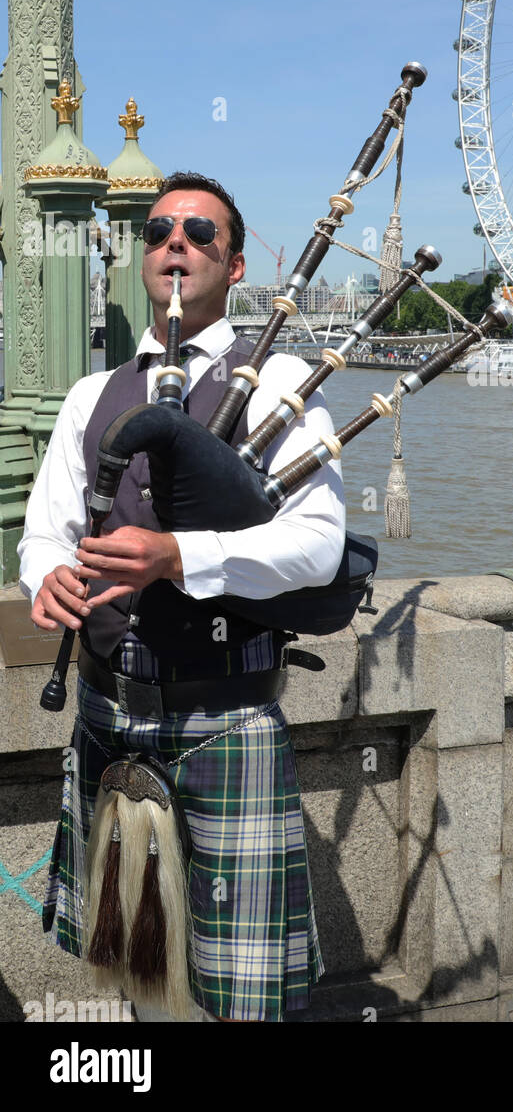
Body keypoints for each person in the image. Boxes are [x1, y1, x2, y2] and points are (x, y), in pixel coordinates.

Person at [19, 172, 345, 1022]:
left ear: (234, 266)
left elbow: (317, 548)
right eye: (159, 229)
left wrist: (177, 555)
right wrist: (46, 576)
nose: (175, 242)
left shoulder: (280, 380)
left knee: (242, 988)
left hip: (224, 716)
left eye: (201, 232)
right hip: (104, 709)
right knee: (130, 959)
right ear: (140, 256)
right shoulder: (94, 395)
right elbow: (45, 530)